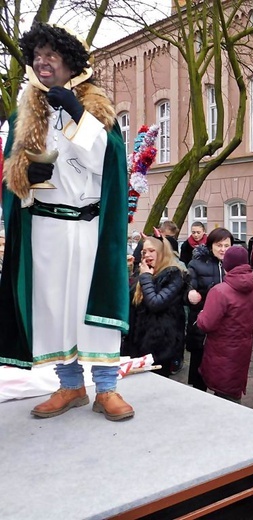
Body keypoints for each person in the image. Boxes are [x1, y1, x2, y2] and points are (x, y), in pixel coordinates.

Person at [0, 23, 131, 420]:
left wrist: (78, 115)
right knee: (54, 308)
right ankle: (70, 385)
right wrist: (23, 180)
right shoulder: (23, 116)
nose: (42, 62)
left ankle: (106, 389)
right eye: (37, 55)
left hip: (89, 226)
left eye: (51, 56)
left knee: (95, 306)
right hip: (46, 228)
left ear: (68, 63)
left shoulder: (97, 109)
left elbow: (108, 165)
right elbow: (10, 181)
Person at [197, 246, 253, 402]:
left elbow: (206, 324)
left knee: (223, 395)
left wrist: (200, 315)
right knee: (232, 391)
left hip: (221, 351)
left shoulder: (219, 291)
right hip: (243, 349)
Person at [121, 235, 186, 378]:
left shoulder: (173, 274)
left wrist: (145, 278)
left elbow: (155, 303)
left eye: (152, 251)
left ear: (162, 253)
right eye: (144, 252)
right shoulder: (146, 271)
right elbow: (129, 299)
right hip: (138, 343)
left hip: (160, 347)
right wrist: (127, 271)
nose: (147, 255)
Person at [186, 227, 234, 391]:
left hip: (226, 326)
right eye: (219, 245)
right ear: (211, 245)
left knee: (221, 366)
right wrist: (190, 293)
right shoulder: (197, 264)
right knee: (199, 366)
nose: (223, 249)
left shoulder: (235, 264)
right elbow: (187, 286)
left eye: (226, 246)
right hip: (202, 325)